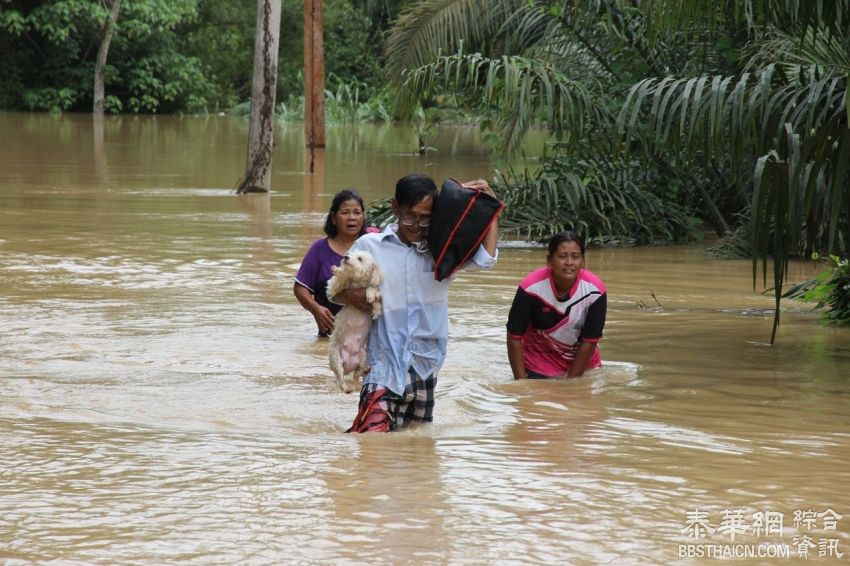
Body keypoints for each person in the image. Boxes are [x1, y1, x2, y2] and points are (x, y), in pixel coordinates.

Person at [331, 173, 499, 432]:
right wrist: (351, 296)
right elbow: (336, 290)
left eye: (425, 217)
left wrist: (491, 206)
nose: (416, 225)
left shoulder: (442, 252)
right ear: (396, 208)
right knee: (370, 444)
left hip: (425, 365)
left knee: (416, 451)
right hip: (382, 365)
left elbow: (486, 259)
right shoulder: (369, 246)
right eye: (410, 215)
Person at [506, 231, 607, 380]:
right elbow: (514, 335)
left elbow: (590, 340)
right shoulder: (530, 288)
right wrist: (521, 383)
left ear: (583, 261)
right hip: (538, 364)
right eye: (562, 256)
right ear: (549, 260)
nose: (569, 262)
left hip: (583, 364)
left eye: (575, 256)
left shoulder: (595, 291)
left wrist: (572, 382)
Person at [294, 189, 367, 337]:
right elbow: (300, 288)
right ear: (333, 218)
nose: (352, 218)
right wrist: (316, 309)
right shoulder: (319, 249)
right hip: (331, 337)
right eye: (345, 213)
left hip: (369, 338)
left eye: (357, 213)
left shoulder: (373, 245)